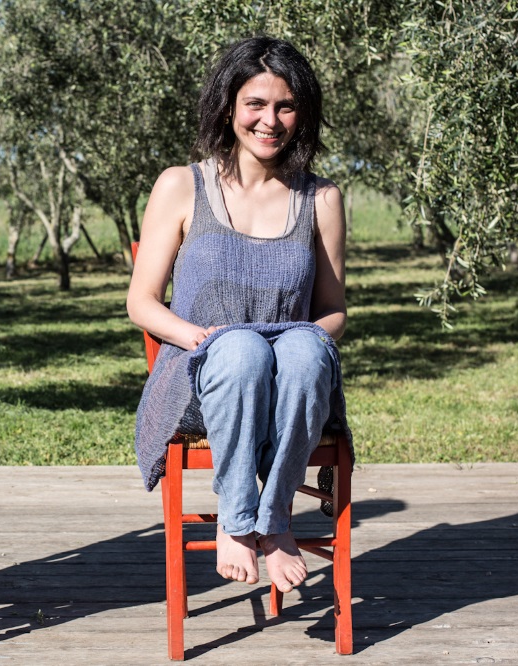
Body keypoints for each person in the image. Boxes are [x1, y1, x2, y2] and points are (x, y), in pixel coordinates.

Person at [128, 36, 349, 594]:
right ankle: (236, 518)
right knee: (242, 351)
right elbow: (142, 302)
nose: (270, 121)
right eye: (256, 104)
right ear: (228, 106)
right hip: (201, 377)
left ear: (302, 114)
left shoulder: (321, 199)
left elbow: (333, 311)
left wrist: (306, 339)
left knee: (302, 352)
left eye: (286, 106)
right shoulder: (182, 185)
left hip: (291, 381)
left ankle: (272, 522)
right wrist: (200, 337)